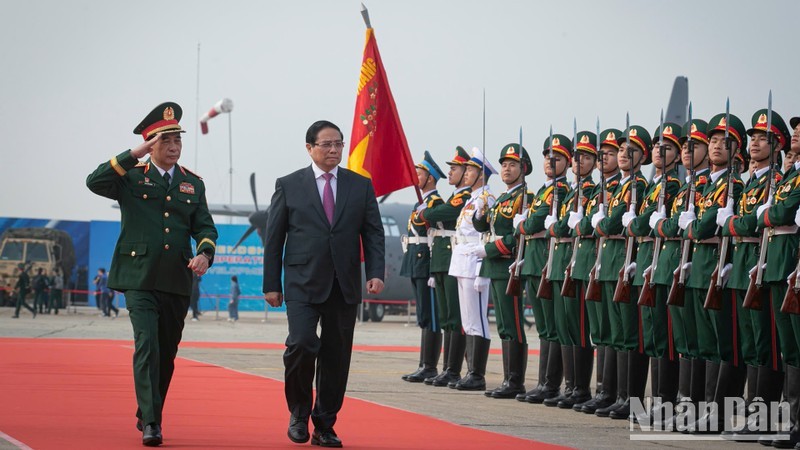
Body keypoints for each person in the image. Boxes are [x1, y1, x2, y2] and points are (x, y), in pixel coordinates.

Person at [86, 101, 218, 447]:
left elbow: (204, 226)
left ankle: (146, 410)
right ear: (150, 144)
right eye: (165, 141)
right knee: (146, 344)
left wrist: (205, 253)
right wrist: (135, 153)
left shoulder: (193, 184)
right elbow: (94, 181)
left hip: (176, 277)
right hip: (138, 277)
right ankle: (152, 421)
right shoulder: (130, 178)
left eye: (178, 142)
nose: (174, 148)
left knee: (166, 351)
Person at [263, 120, 385, 448]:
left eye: (338, 144)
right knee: (301, 344)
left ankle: (325, 424)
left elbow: (373, 232)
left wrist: (376, 272)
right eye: (326, 144)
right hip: (302, 282)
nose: (334, 150)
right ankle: (299, 413)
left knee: (336, 356)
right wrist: (271, 283)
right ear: (309, 148)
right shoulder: (289, 185)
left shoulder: (359, 186)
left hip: (343, 283)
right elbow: (274, 238)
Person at [472, 143, 533, 399]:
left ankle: (516, 381)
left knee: (514, 324)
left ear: (523, 169)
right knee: (504, 326)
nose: (507, 169)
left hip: (509, 264)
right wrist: (481, 212)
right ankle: (509, 378)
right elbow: (484, 225)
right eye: (504, 165)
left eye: (512, 165)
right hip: (496, 267)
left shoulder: (525, 198)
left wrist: (492, 249)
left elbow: (518, 237)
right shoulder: (504, 197)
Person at [417, 146, 472, 386]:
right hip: (441, 258)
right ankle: (448, 368)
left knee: (455, 316)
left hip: (453, 258)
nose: (450, 173)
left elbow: (447, 211)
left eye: (455, 169)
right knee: (447, 317)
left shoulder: (464, 196)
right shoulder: (455, 195)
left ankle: (453, 369)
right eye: (449, 169)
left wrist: (429, 212)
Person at [450, 148, 497, 390]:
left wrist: (482, 270)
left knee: (478, 320)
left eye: (470, 170)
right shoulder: (472, 199)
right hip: (462, 261)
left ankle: (477, 375)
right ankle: (471, 372)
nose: (466, 173)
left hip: (474, 262)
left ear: (481, 174)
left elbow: (485, 237)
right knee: (468, 321)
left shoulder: (485, 199)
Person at [400, 151, 445, 383]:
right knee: (423, 316)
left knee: (431, 316)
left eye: (419, 173)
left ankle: (429, 366)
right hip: (415, 261)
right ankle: (423, 364)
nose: (415, 176)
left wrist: (433, 270)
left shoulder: (435, 203)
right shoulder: (421, 203)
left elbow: (438, 237)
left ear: (430, 178)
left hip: (426, 262)